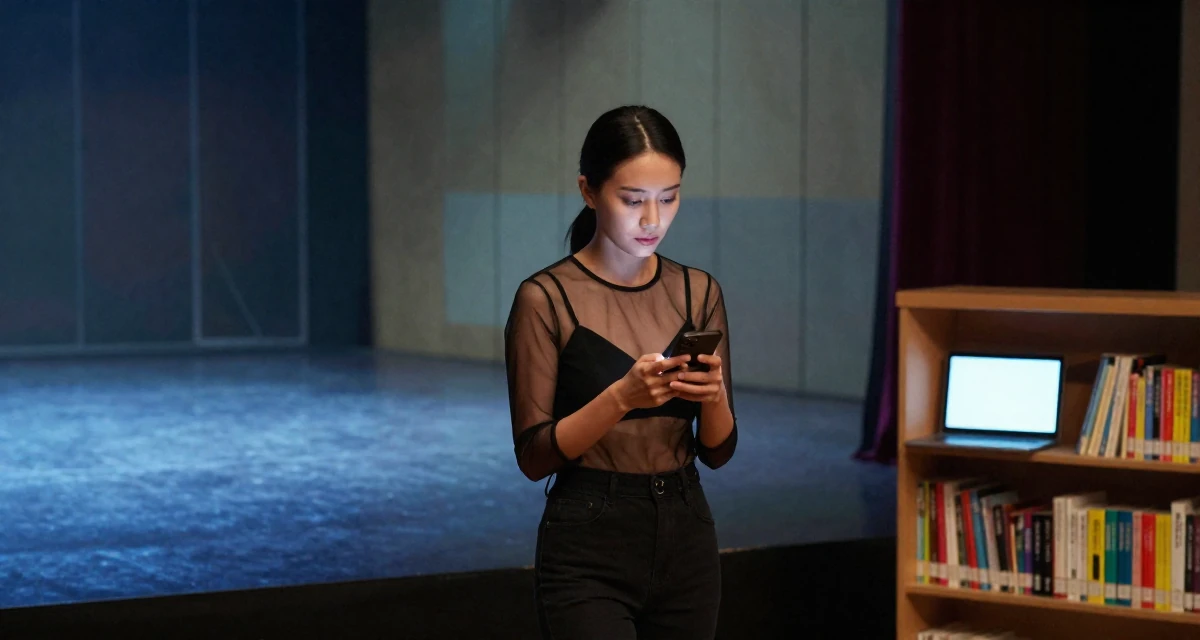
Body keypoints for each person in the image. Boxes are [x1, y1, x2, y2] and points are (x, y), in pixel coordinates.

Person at [503, 105, 738, 640]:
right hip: (588, 536)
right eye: (633, 200)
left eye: (669, 198)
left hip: (687, 528)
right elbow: (534, 457)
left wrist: (715, 395)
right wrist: (621, 398)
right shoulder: (545, 299)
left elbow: (719, 452)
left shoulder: (698, 291)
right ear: (589, 191)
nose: (653, 219)